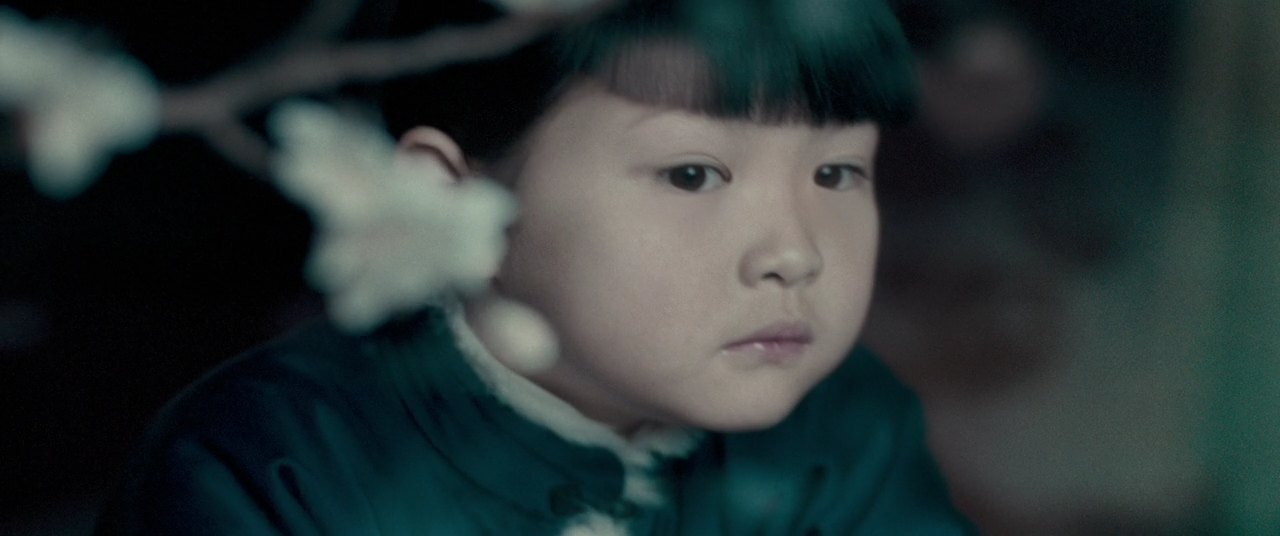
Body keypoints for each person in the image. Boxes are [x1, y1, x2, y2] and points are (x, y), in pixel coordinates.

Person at [95, 0, 977, 534]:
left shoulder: (848, 424)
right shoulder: (266, 463)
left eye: (837, 173)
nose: (795, 253)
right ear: (448, 197)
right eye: (692, 174)